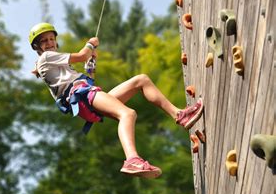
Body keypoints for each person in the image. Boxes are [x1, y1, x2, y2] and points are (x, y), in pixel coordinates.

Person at [29, 22, 204, 178]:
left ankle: (179, 115)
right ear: (37, 47)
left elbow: (86, 77)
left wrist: (90, 66)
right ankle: (132, 159)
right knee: (128, 114)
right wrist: (90, 45)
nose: (50, 43)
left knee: (141, 80)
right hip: (83, 95)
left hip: (87, 95)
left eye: (51, 39)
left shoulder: (56, 62)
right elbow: (82, 55)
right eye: (44, 41)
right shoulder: (45, 58)